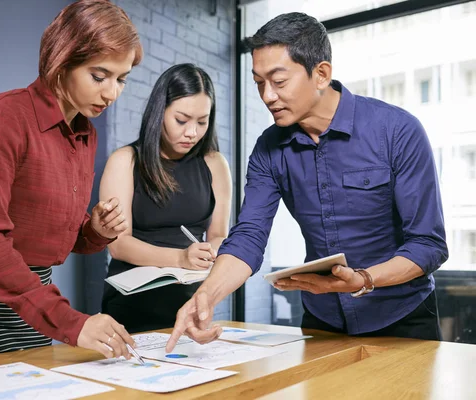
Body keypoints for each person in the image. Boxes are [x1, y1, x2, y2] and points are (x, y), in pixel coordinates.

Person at [166, 12, 448, 352]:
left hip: (402, 320)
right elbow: (249, 236)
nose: (267, 95)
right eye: (258, 82)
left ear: (321, 74)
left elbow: (429, 244)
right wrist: (205, 296)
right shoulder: (269, 148)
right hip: (322, 322)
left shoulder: (397, 131)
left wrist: (364, 280)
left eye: (279, 81)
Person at [0, 0, 143, 362]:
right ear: (62, 59)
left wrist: (95, 231)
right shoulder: (2, 116)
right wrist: (70, 321)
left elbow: (53, 234)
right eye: (99, 76)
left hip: (31, 301)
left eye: (121, 79)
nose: (112, 93)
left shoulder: (85, 133)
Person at [99, 63, 232, 333]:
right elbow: (118, 244)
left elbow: (218, 233)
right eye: (181, 120)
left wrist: (212, 251)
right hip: (131, 304)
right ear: (159, 113)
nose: (192, 132)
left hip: (191, 300)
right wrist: (181, 258)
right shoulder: (125, 161)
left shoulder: (215, 164)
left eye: (202, 121)